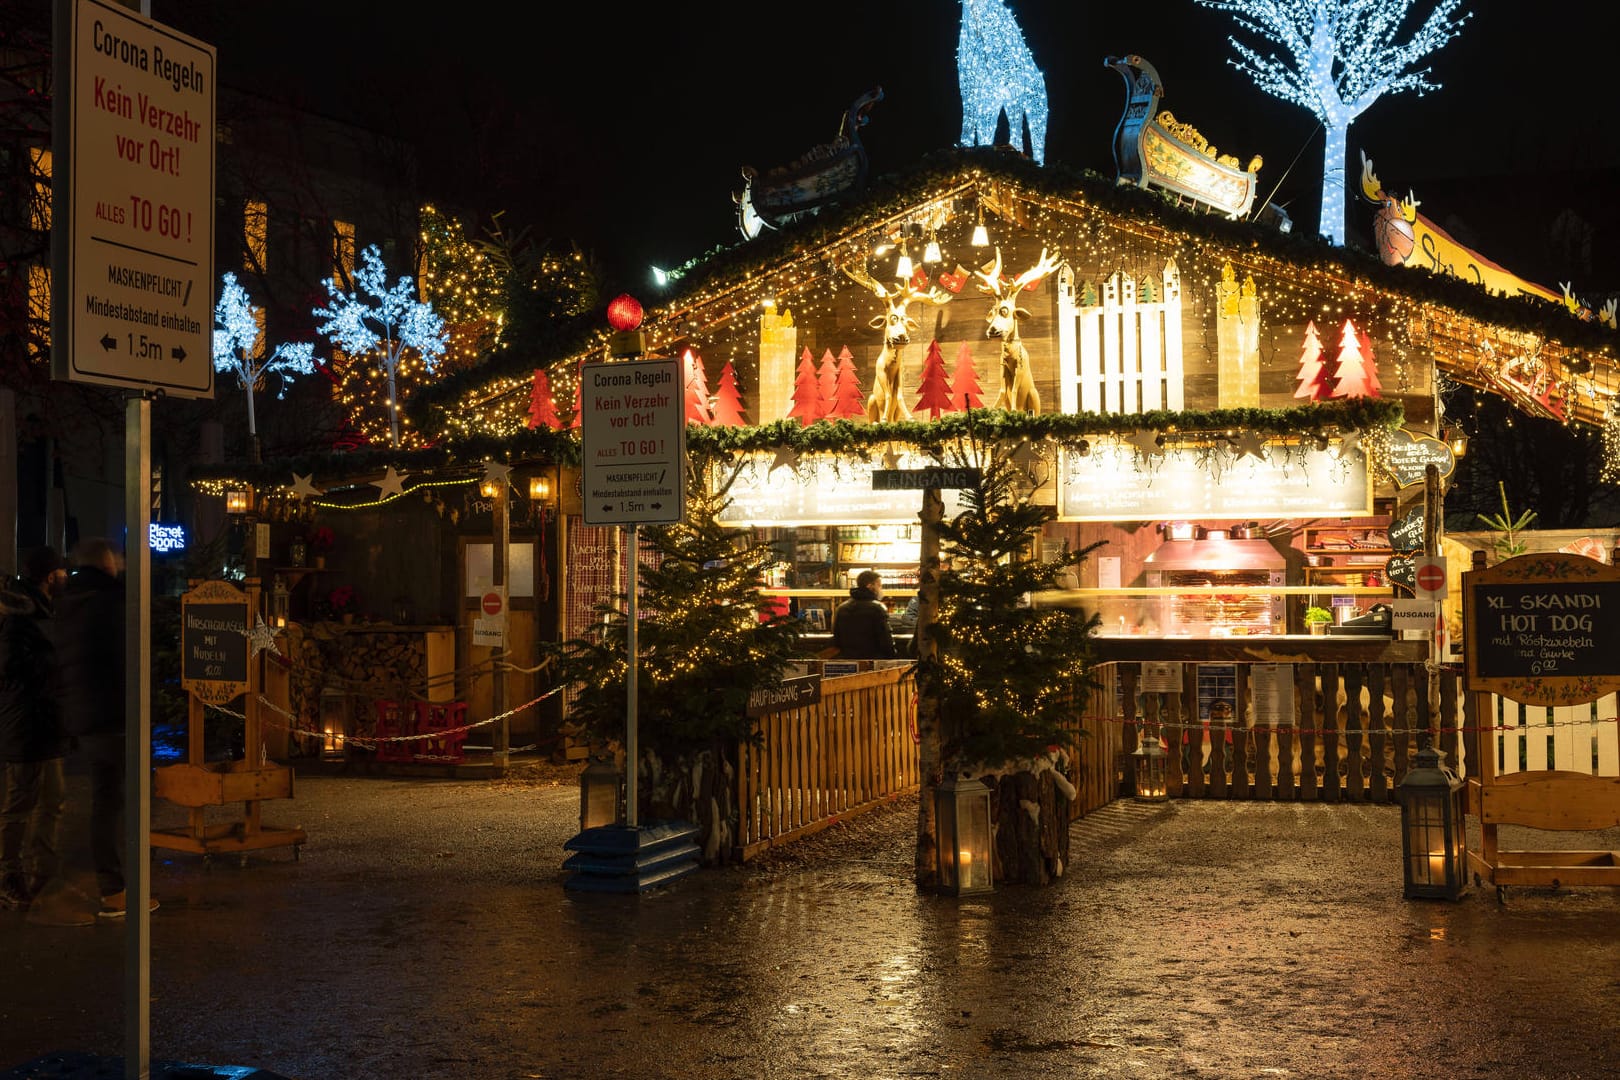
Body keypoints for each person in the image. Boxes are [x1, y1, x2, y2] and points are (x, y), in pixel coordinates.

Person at [55, 538, 154, 918]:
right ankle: (118, 890)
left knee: (105, 800)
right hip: (113, 715)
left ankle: (112, 888)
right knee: (123, 801)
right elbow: (126, 660)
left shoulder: (71, 601)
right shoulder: (111, 602)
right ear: (107, 562)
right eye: (117, 558)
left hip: (88, 717)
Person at [0, 546, 70, 909]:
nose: (65, 578)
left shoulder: (43, 610)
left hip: (45, 722)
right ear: (49, 576)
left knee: (53, 800)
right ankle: (8, 875)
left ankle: (44, 871)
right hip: (24, 722)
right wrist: (54, 664)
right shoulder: (18, 616)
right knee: (19, 803)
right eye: (61, 572)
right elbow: (11, 669)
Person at [831, 570, 895, 660]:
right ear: (870, 586)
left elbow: (836, 640)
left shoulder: (842, 608)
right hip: (872, 661)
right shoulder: (877, 608)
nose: (881, 589)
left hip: (848, 661)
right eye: (879, 586)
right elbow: (886, 642)